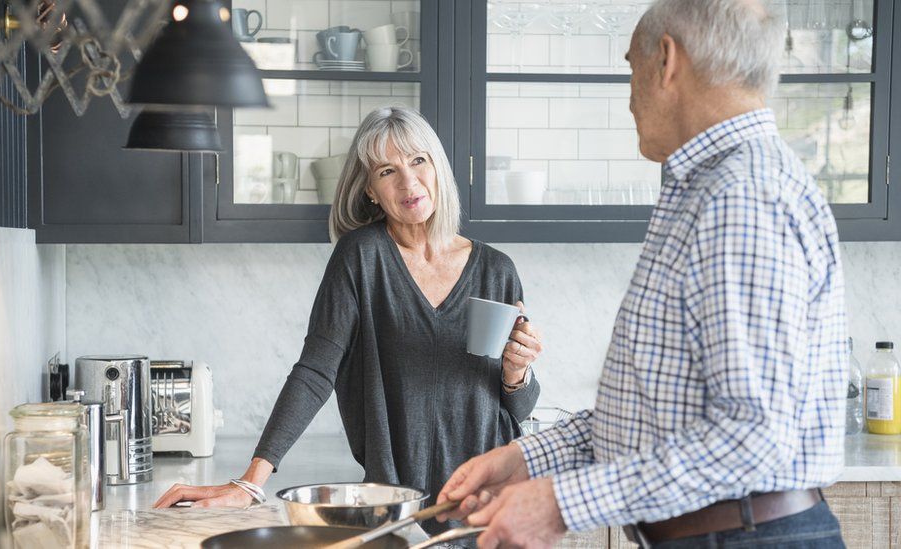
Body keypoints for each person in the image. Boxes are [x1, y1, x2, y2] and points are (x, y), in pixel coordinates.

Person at [436, 1, 848, 547]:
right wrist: (526, 457)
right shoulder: (714, 188)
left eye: (631, 67)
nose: (628, 96)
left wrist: (560, 504)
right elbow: (661, 414)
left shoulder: (742, 197)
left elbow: (751, 435)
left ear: (666, 61)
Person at [154, 106, 544, 536]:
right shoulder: (361, 258)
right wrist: (251, 481)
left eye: (418, 161)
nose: (408, 182)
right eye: (386, 171)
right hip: (397, 513)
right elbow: (316, 371)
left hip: (488, 508)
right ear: (371, 191)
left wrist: (517, 373)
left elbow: (517, 409)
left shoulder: (496, 270)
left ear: (438, 166)